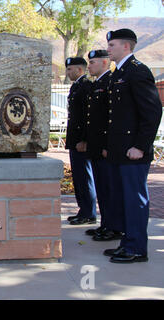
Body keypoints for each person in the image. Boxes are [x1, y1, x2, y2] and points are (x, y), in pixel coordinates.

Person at [102, 29, 162, 263]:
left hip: (133, 152)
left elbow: (152, 112)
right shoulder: (121, 72)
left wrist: (140, 146)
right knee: (123, 200)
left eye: (112, 45)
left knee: (134, 201)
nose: (108, 49)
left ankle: (137, 248)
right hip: (120, 151)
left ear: (126, 47)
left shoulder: (138, 72)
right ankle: (128, 243)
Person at [84, 50, 123, 242]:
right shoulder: (98, 83)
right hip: (97, 146)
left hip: (105, 147)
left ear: (105, 63)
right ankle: (106, 223)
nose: (89, 66)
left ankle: (114, 227)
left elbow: (110, 119)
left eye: (92, 62)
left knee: (110, 189)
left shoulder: (109, 82)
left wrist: (108, 145)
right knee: (102, 188)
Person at [64, 57, 97, 225]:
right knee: (78, 177)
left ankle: (89, 212)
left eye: (70, 70)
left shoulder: (85, 87)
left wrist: (84, 139)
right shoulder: (77, 86)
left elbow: (87, 117)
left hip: (81, 141)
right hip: (74, 139)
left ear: (79, 69)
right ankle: (83, 210)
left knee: (84, 176)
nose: (67, 73)